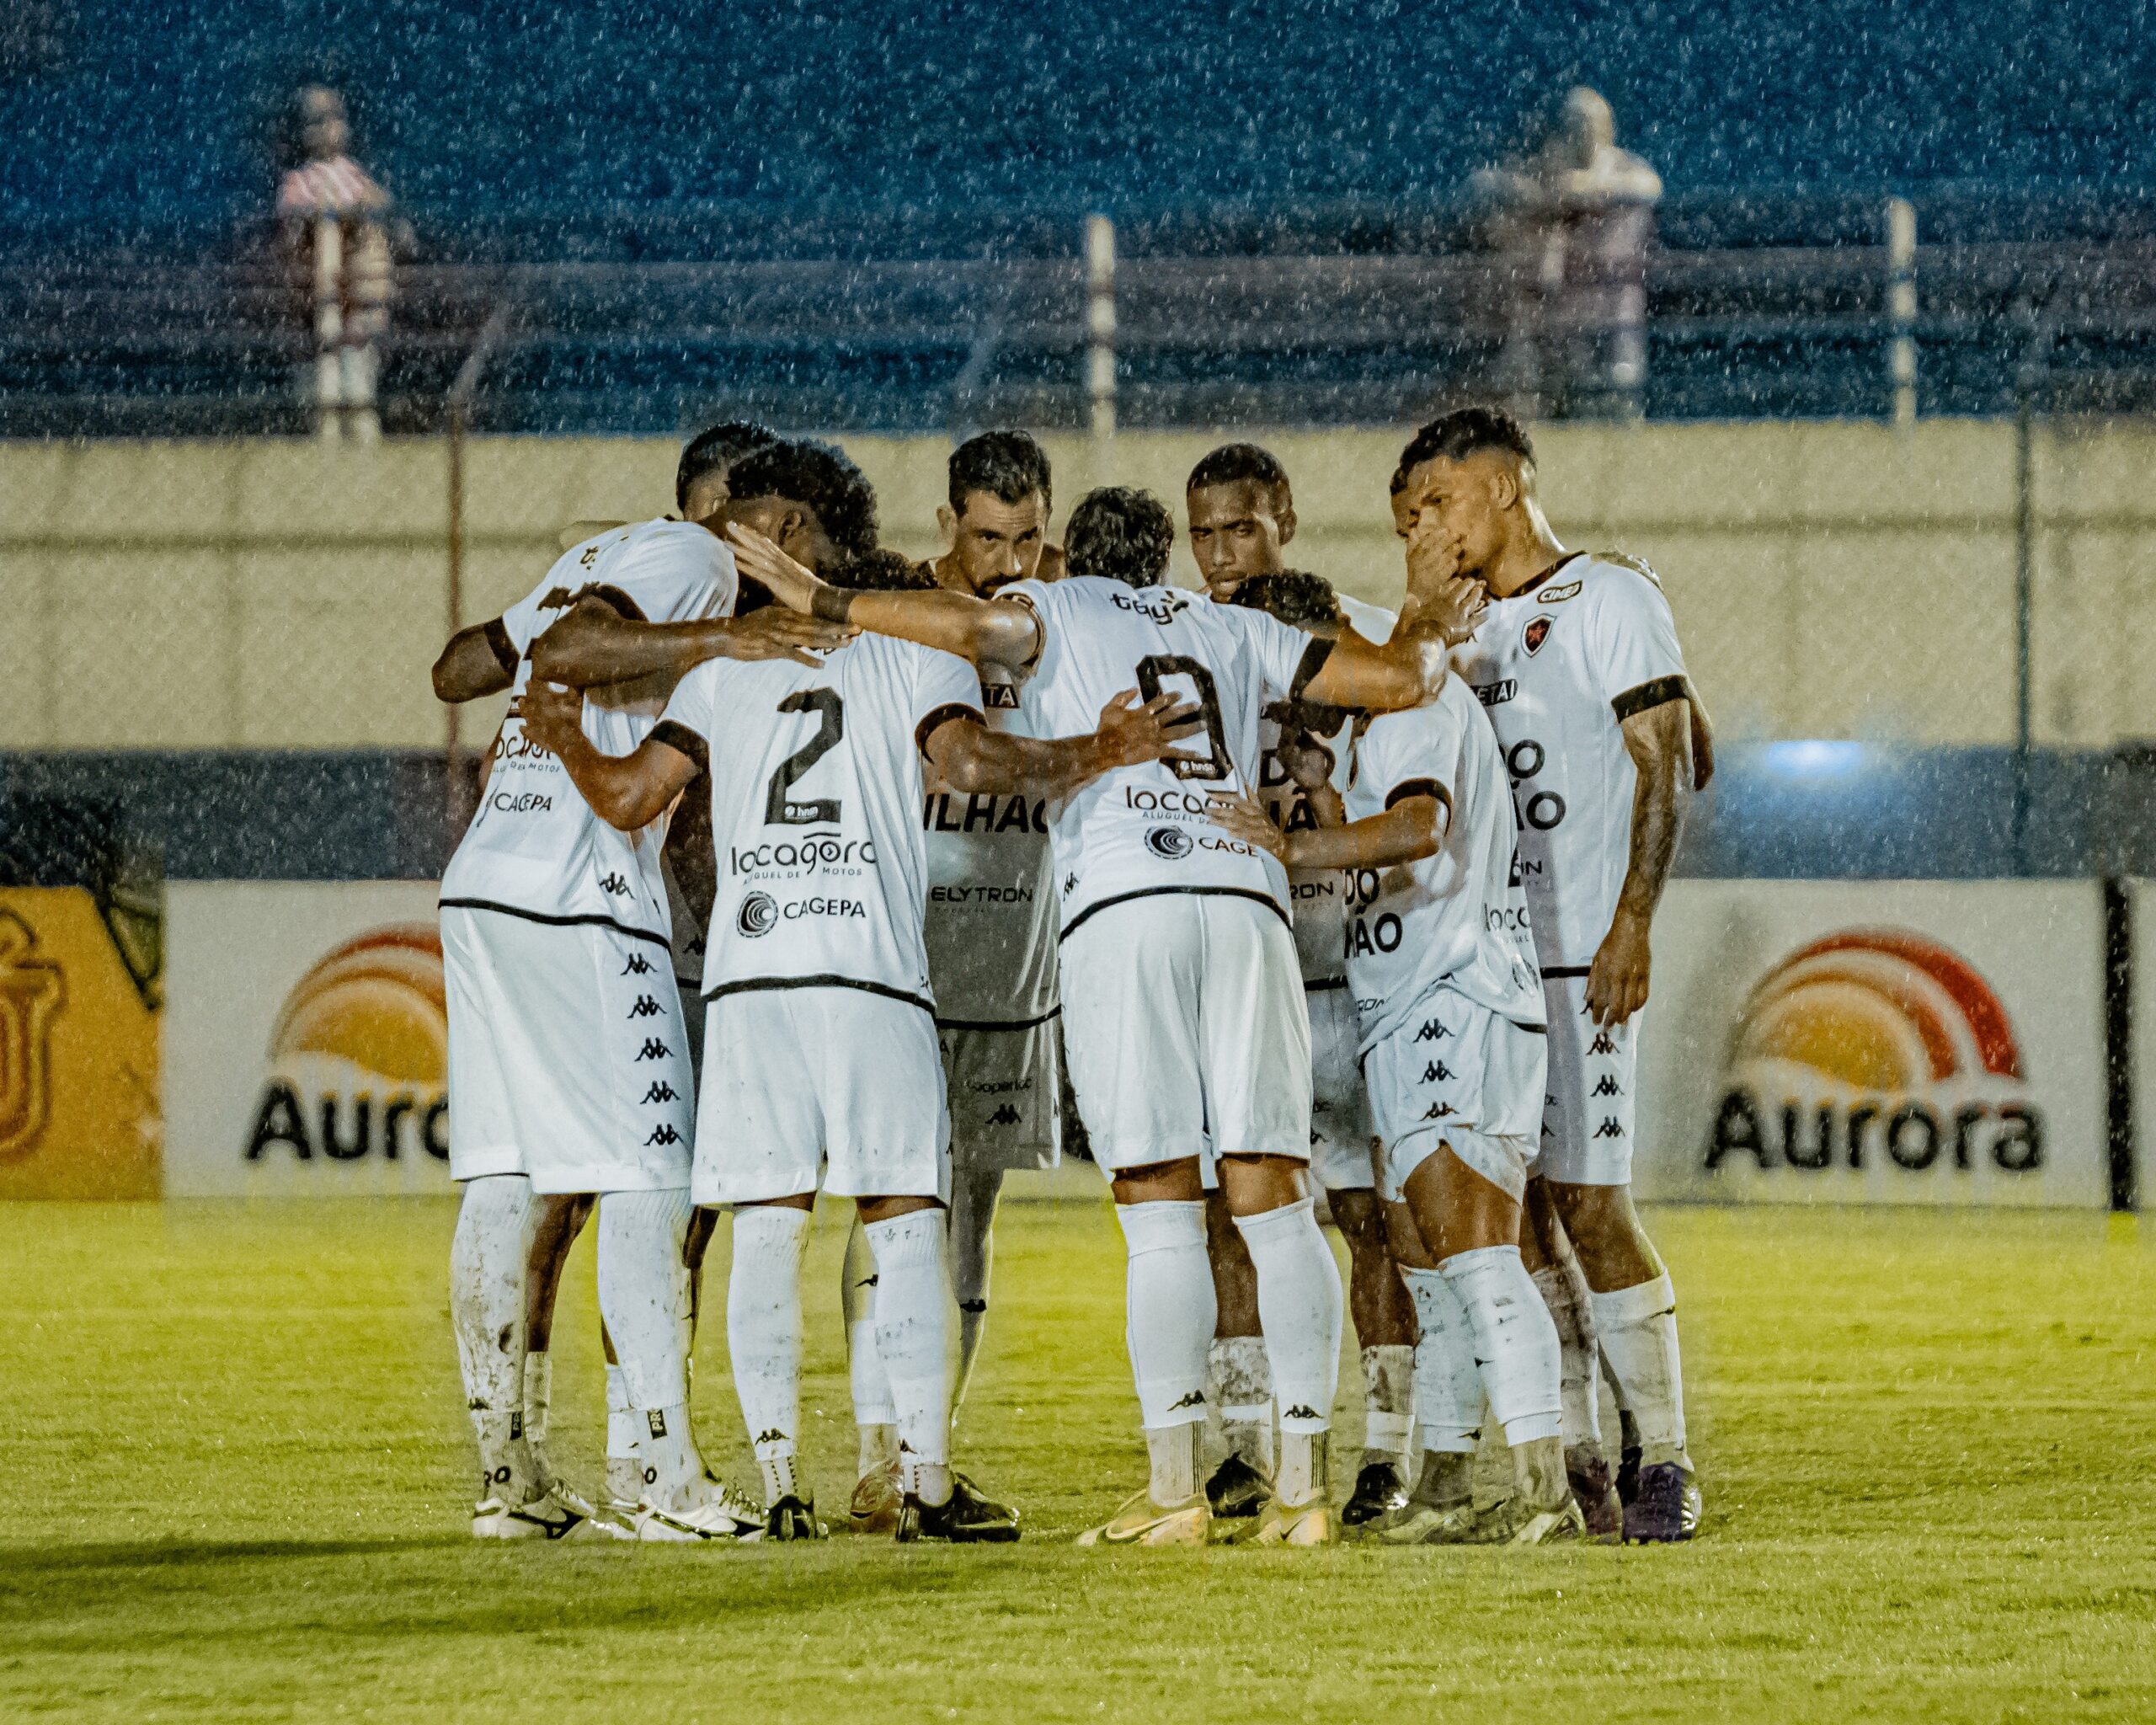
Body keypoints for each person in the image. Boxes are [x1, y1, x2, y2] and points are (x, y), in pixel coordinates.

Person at [728, 484, 1481, 1548]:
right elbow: (1401, 680)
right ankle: (1302, 1489)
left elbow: (970, 623)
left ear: (1072, 554)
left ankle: (1174, 1491)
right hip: (1245, 894)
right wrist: (1428, 620)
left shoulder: (1053, 606)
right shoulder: (1235, 624)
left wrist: (831, 598)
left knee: (1160, 1202)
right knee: (1273, 1193)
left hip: (1127, 899)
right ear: (1165, 554)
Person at [521, 510, 1204, 1542]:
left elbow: (628, 799)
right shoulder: (914, 655)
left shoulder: (723, 672)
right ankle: (922, 1480)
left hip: (753, 983)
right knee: (904, 1218)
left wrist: (564, 732)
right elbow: (971, 766)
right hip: (871, 975)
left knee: (767, 1226)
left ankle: (782, 1483)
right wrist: (1097, 748)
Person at [428, 430, 841, 1541]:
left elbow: (464, 664)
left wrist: (557, 654)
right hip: (579, 896)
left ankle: (507, 1480)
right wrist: (730, 642)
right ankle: (657, 1477)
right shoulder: (693, 559)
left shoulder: (598, 556)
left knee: (507, 1182)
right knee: (649, 1174)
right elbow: (576, 646)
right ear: (738, 511)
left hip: (486, 882)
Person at [1206, 542, 1584, 1544]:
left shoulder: (1410, 708)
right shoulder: (1382, 722)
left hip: (1450, 1005)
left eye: (1300, 680)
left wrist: (1288, 846)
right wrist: (1326, 799)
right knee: (1428, 1264)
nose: (1295, 706)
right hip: (1420, 1004)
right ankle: (1449, 1488)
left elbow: (1420, 827)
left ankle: (1547, 1489)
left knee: (1475, 1255)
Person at [1393, 405, 1709, 1543]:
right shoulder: (1446, 631)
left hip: (1582, 956)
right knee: (1515, 1218)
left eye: (1438, 502)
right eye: (1408, 516)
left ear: (1507, 484)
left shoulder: (1610, 598)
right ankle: (1578, 1459)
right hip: (1483, 969)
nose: (1424, 527)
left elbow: (1665, 763)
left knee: (1593, 1204)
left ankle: (1665, 1457)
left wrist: (1634, 923)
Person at [1186, 443, 1418, 1530]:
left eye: (1240, 528)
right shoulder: (1179, 648)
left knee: (1375, 1220)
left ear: (1282, 516)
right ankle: (1239, 1448)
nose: (1221, 555)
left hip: (1350, 971)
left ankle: (1387, 1449)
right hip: (1242, 970)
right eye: (1203, 534)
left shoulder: (1357, 636)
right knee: (1228, 1216)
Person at [842, 431, 1065, 1531]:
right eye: (986, 536)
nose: (1006, 557)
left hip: (1011, 969)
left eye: (1027, 537)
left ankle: (931, 1442)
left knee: (970, 1211)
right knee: (892, 1206)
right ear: (947, 529)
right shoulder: (901, 619)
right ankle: (879, 1456)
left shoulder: (1059, 630)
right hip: (903, 958)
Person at [1474, 87, 1661, 419]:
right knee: (1552, 404)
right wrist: (1530, 194)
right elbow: (1481, 185)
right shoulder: (1549, 168)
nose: (1582, 132)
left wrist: (1587, 190)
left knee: (1619, 401)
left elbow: (1650, 186)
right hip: (1558, 318)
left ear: (1608, 128)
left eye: (1589, 123)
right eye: (1572, 124)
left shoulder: (1624, 168)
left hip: (1614, 314)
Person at [276, 86, 398, 441]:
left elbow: (379, 204)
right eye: (316, 121)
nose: (328, 129)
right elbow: (294, 222)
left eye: (334, 118)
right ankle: (329, 450)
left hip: (358, 299)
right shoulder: (300, 182)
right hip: (321, 304)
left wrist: (363, 213)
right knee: (325, 388)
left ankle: (362, 450)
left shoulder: (353, 176)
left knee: (358, 381)